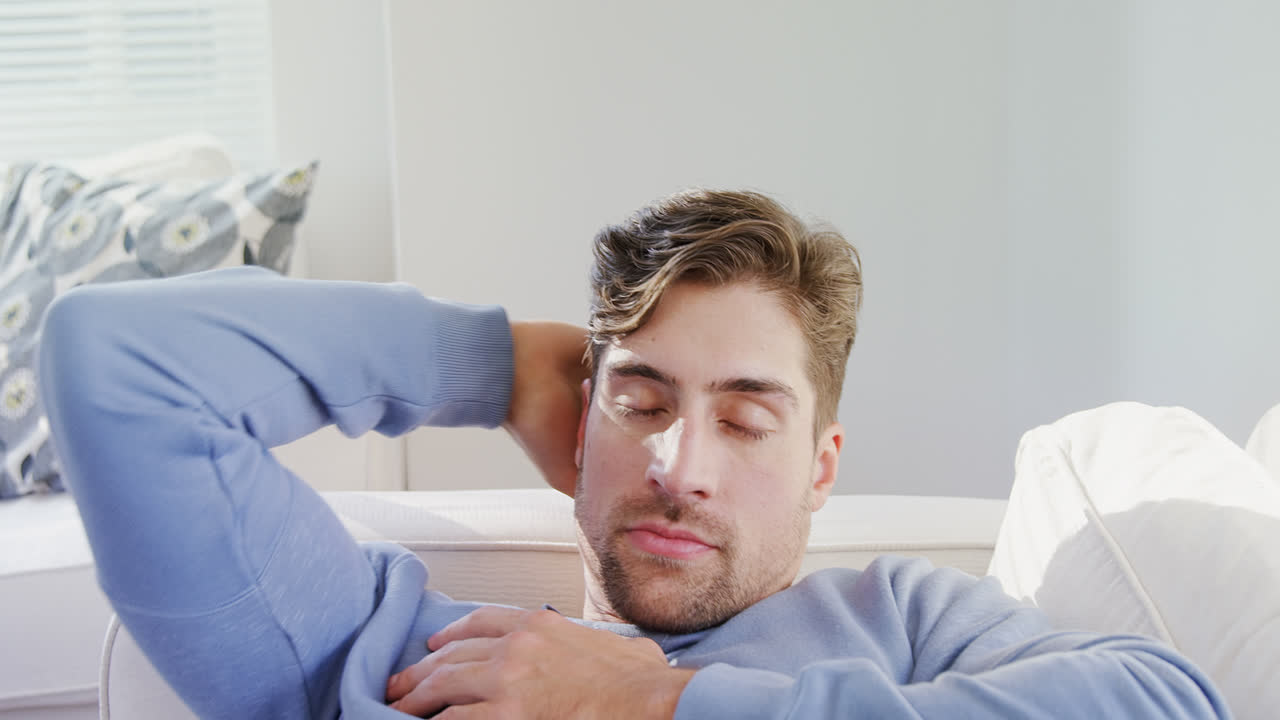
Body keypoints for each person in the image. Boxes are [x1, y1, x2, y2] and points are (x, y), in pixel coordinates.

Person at [39, 189, 1230, 719]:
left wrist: (660, 703)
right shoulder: (411, 657)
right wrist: (490, 363)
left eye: (747, 417)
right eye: (641, 401)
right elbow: (118, 364)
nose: (679, 462)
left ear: (820, 469)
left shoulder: (912, 626)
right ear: (580, 427)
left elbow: (1165, 706)